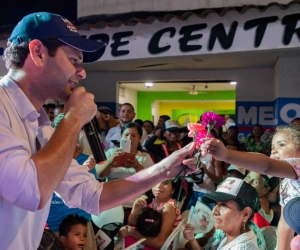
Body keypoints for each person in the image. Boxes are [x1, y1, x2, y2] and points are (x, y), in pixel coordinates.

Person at [0, 12, 198, 249]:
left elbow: (94, 196)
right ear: (38, 52)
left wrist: (166, 169)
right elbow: (31, 191)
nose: (82, 72)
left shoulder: (41, 127)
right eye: (74, 60)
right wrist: (73, 119)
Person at [200, 124, 300, 250]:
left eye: (282, 144)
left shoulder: (298, 165)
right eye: (272, 147)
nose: (274, 150)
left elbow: (267, 165)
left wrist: (226, 154)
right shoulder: (287, 183)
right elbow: (286, 223)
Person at [183, 177, 261, 250]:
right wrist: (192, 239)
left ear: (245, 214)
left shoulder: (242, 247)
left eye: (224, 205)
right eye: (216, 204)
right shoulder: (229, 234)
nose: (214, 212)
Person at [120, 178, 185, 249]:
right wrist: (135, 209)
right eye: (156, 181)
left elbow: (159, 243)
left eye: (165, 183)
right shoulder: (154, 202)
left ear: (173, 189)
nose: (159, 186)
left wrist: (132, 232)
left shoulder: (168, 207)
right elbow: (131, 224)